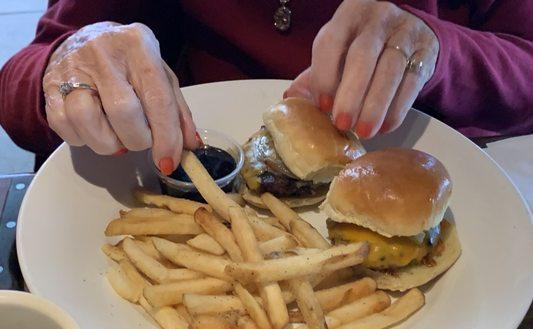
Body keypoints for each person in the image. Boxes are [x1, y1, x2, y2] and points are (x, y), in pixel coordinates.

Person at [0, 0, 531, 174]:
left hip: (430, 163)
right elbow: (22, 82)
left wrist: (438, 51)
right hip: (197, 174)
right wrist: (67, 67)